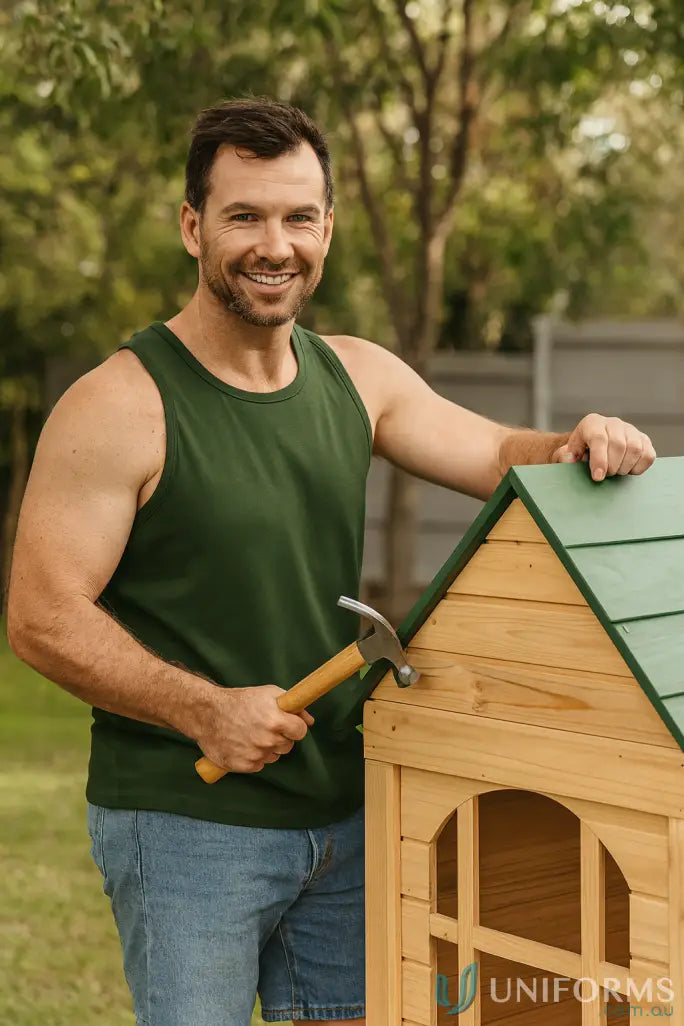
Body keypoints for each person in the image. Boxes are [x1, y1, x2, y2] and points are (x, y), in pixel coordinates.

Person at [6, 96, 655, 1026]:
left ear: (328, 227)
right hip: (186, 825)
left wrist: (581, 442)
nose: (276, 244)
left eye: (298, 216)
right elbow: (40, 615)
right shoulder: (119, 405)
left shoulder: (358, 375)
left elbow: (500, 455)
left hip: (347, 818)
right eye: (245, 216)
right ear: (193, 228)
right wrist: (205, 710)